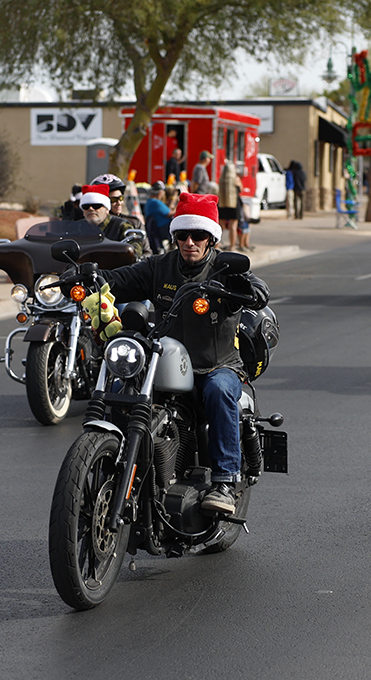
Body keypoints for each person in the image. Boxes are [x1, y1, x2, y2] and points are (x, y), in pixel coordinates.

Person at [92, 192, 270, 513]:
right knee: (123, 389)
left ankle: (225, 482)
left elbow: (257, 287)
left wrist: (249, 291)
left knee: (217, 391)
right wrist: (90, 277)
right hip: (166, 364)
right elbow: (120, 279)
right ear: (174, 236)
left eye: (198, 235)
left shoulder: (224, 269)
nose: (190, 242)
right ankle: (115, 465)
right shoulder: (159, 267)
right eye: (182, 235)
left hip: (217, 366)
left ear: (211, 238)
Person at [80, 182, 152, 256]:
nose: (91, 209)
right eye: (86, 206)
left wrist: (122, 254)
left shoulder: (121, 225)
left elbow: (135, 249)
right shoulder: (77, 228)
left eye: (96, 205)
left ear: (107, 209)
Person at [217, 160, 242, 250]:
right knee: (233, 227)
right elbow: (241, 189)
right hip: (234, 204)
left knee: (220, 226)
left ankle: (217, 245)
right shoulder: (236, 179)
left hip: (223, 203)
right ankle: (232, 246)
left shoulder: (221, 180)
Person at [143, 181, 172, 254]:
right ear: (160, 193)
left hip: (157, 230)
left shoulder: (149, 202)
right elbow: (169, 213)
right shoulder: (155, 202)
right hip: (164, 229)